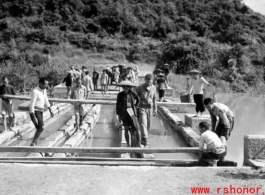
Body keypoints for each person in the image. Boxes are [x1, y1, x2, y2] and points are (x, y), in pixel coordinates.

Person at [29, 77, 54, 146]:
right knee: (41, 127)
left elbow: (46, 99)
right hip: (35, 111)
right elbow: (32, 104)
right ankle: (33, 143)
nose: (46, 86)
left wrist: (50, 109)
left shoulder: (44, 90)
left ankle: (35, 143)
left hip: (41, 111)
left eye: (47, 84)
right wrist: (32, 115)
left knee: (39, 128)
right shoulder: (35, 91)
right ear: (40, 83)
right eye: (45, 84)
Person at [116, 80, 140, 147]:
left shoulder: (132, 93)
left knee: (135, 127)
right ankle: (128, 144)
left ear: (129, 88)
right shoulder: (120, 95)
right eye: (123, 88)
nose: (125, 89)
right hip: (124, 113)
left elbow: (138, 99)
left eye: (126, 88)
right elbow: (118, 105)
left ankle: (137, 142)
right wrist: (118, 116)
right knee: (126, 128)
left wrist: (135, 107)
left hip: (131, 112)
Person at [136, 74, 157, 147]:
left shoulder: (154, 88)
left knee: (148, 126)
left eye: (150, 81)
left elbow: (154, 99)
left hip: (150, 109)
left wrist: (155, 108)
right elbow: (135, 97)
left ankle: (144, 138)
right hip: (142, 108)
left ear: (152, 81)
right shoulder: (139, 88)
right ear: (145, 80)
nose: (149, 82)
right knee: (143, 123)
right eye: (147, 80)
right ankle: (144, 141)